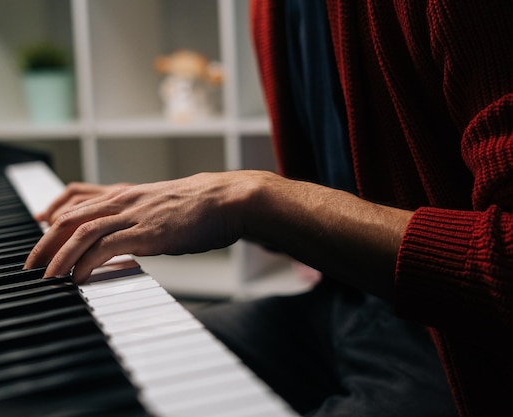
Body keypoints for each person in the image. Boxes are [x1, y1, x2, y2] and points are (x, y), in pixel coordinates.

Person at [25, 0, 513, 415]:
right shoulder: (269, 9)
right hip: (346, 307)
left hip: (466, 348)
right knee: (87, 369)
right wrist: (177, 202)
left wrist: (255, 199)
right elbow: (338, 195)